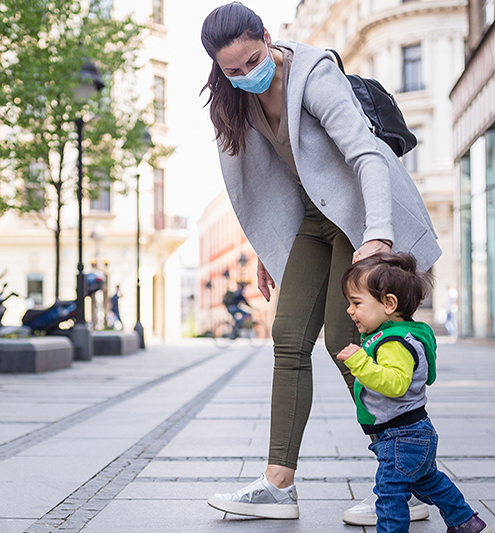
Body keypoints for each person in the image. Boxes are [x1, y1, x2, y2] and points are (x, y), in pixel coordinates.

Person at [201, 2, 441, 524]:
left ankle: (410, 481)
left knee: (344, 342)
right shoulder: (234, 101)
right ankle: (277, 485)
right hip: (310, 219)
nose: (245, 75)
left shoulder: (314, 75)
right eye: (231, 70)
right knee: (287, 338)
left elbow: (367, 155)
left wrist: (377, 234)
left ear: (266, 37)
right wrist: (269, 247)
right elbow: (255, 187)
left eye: (252, 60)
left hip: (357, 210)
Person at [337, 252, 491, 533]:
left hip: (401, 437)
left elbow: (395, 383)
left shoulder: (395, 343)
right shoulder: (401, 335)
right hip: (412, 434)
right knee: (429, 482)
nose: (349, 310)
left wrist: (360, 361)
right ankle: (467, 523)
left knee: (389, 492)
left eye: (356, 303)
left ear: (389, 303)